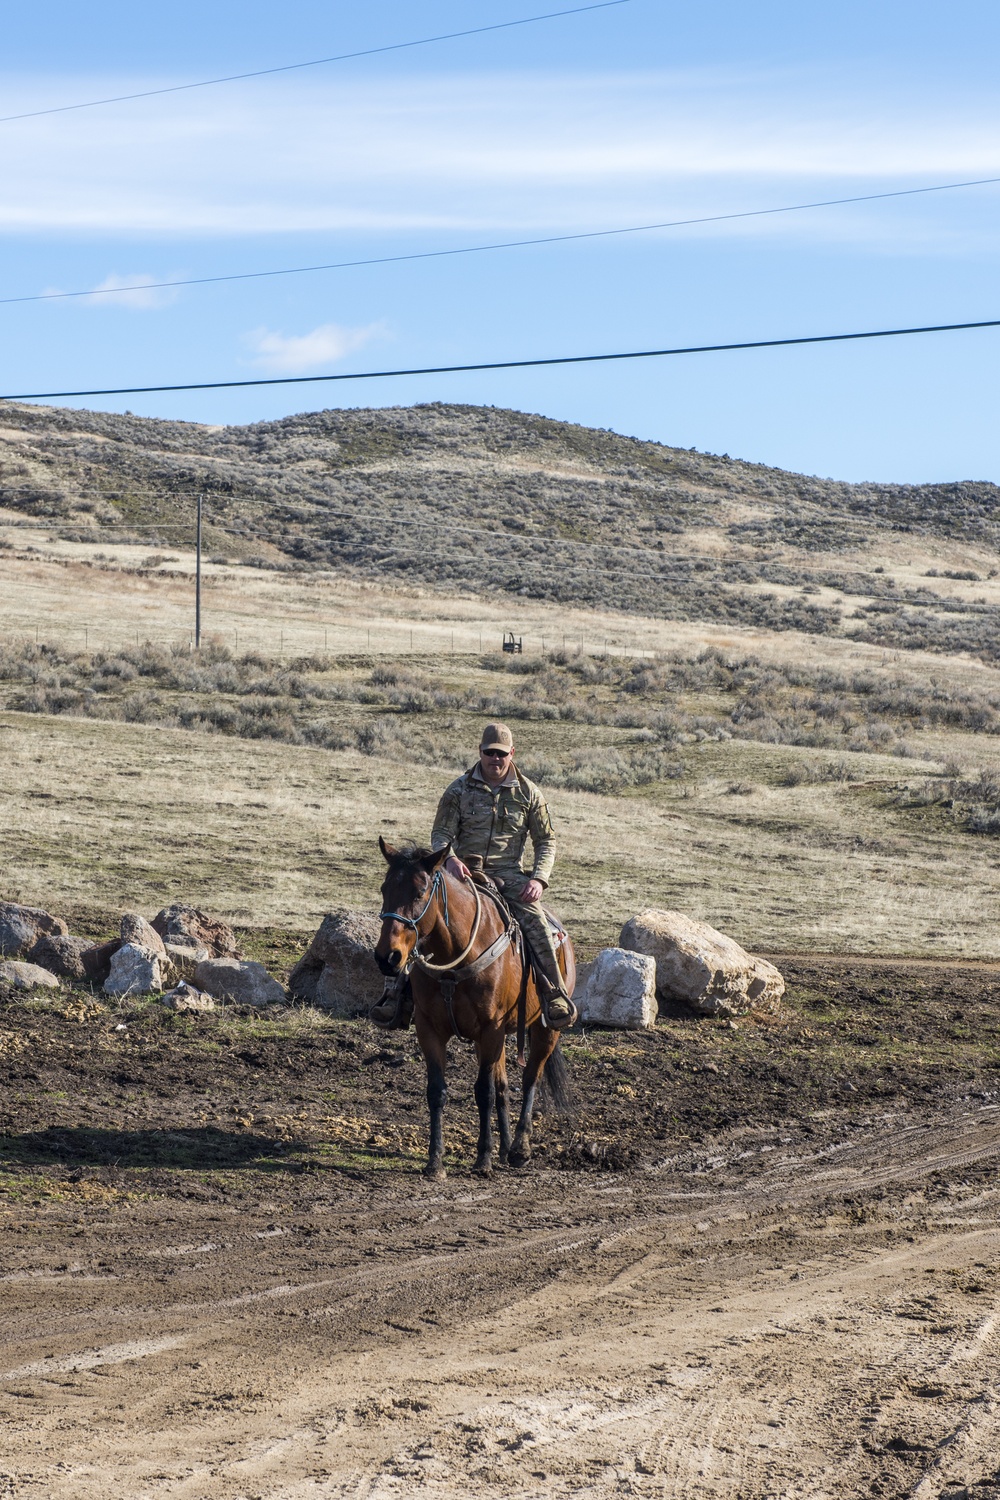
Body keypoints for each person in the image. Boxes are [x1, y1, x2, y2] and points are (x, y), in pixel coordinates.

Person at [371, 722, 576, 1030]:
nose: (495, 759)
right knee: (422, 915)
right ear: (480, 752)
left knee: (535, 921)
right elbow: (441, 833)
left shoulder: (529, 793)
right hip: (462, 872)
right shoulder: (458, 789)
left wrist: (538, 879)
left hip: (510, 874)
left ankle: (553, 993)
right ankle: (396, 995)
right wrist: (450, 860)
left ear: (512, 753)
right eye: (490, 753)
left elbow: (546, 841)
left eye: (501, 754)